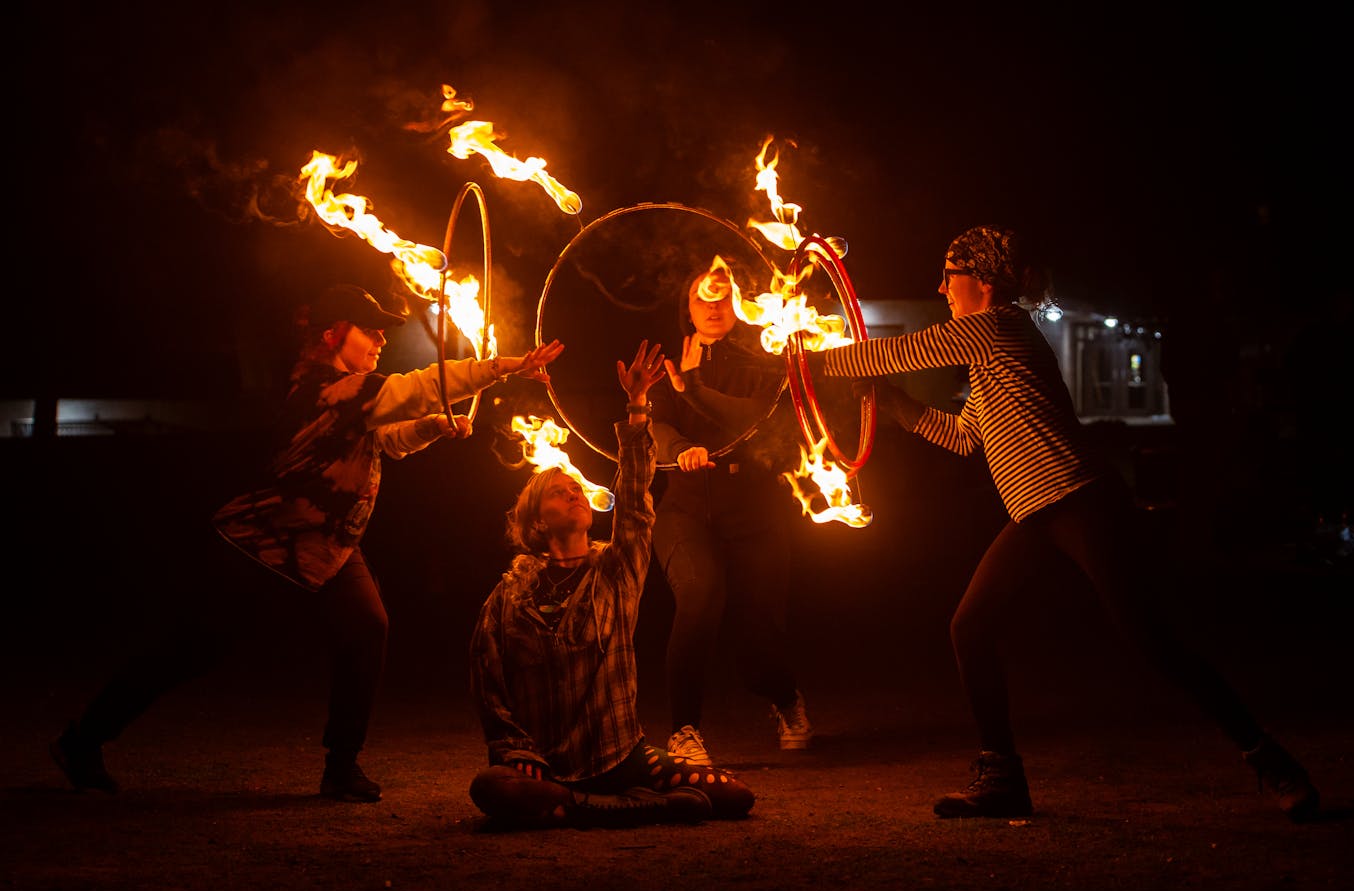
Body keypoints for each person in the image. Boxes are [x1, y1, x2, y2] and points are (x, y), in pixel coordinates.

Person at [809, 225, 1320, 822]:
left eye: (947, 275)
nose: (940, 287)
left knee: (1152, 641)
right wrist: (894, 405)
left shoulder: (996, 327)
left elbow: (891, 353)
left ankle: (1272, 760)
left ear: (980, 280)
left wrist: (800, 357)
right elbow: (964, 437)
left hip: (1081, 502)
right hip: (1035, 515)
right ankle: (1001, 777)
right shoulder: (988, 350)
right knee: (969, 628)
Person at [49, 283, 565, 802]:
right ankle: (83, 740)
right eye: (370, 328)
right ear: (332, 334)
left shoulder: (354, 395)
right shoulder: (325, 387)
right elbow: (418, 386)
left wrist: (432, 427)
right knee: (192, 650)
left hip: (330, 546)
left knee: (368, 627)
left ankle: (342, 766)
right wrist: (501, 365)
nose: (382, 338)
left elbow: (388, 439)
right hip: (263, 543)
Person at [468, 340, 756, 829]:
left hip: (622, 755)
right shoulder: (508, 596)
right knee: (490, 788)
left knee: (734, 795)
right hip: (544, 766)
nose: (573, 494)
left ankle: (583, 809)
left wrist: (639, 406)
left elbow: (635, 499)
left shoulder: (615, 570)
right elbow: (488, 684)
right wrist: (514, 749)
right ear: (537, 522)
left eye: (576, 488)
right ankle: (629, 808)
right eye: (557, 494)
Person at [647, 265, 811, 767]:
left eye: (724, 297)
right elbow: (653, 425)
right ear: (688, 308)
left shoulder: (767, 357)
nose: (714, 306)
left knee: (759, 636)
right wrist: (679, 448)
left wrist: (695, 389)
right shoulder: (665, 363)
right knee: (699, 596)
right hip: (686, 507)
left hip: (754, 508)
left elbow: (761, 424)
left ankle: (785, 699)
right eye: (702, 298)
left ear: (740, 303)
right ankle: (684, 732)